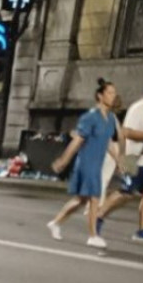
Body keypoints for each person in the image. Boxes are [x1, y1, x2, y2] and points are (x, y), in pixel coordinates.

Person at [47, 77, 120, 250]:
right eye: (110, 93)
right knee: (94, 199)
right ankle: (93, 235)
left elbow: (108, 142)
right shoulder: (90, 117)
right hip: (86, 163)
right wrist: (64, 160)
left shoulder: (110, 118)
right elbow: (77, 140)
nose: (113, 96)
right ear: (100, 96)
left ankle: (55, 223)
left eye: (114, 93)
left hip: (97, 163)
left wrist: (119, 160)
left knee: (81, 200)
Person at [97, 77, 143, 244]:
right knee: (126, 193)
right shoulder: (138, 109)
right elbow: (127, 132)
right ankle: (99, 216)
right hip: (132, 158)